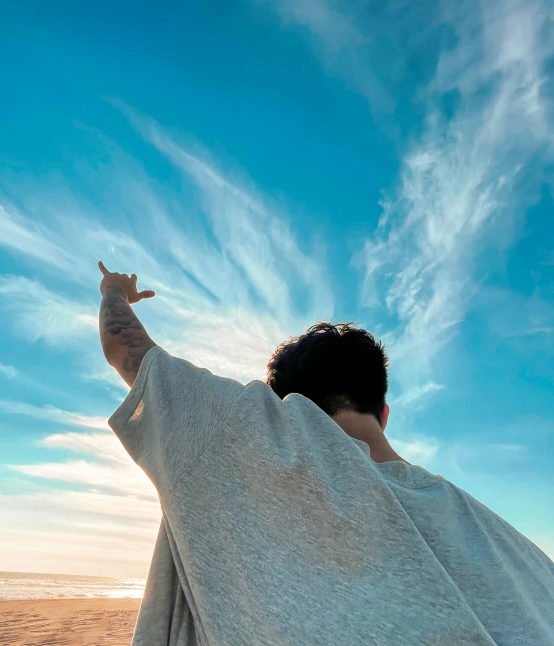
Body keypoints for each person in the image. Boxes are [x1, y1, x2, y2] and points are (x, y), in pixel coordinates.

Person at [98, 262, 554, 646]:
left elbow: (127, 351)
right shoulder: (520, 555)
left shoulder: (248, 439)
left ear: (288, 407)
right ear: (384, 412)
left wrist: (114, 289)